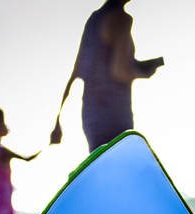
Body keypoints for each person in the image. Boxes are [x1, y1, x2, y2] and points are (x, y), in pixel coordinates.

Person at [50, 0, 164, 152]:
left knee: (104, 161)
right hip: (114, 117)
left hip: (91, 117)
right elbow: (121, 71)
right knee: (121, 160)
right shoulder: (121, 18)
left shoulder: (94, 19)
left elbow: (77, 72)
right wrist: (145, 72)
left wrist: (58, 121)